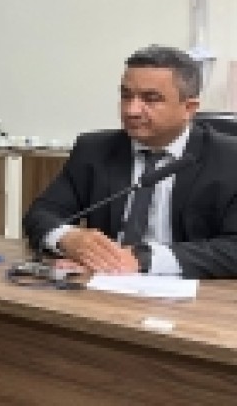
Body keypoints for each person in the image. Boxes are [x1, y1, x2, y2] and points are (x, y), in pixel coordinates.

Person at [23, 45, 237, 278]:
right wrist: (68, 238)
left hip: (196, 291)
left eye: (151, 99)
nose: (131, 110)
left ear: (189, 108)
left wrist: (144, 259)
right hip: (104, 285)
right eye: (126, 96)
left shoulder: (228, 158)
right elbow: (40, 214)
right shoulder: (93, 149)